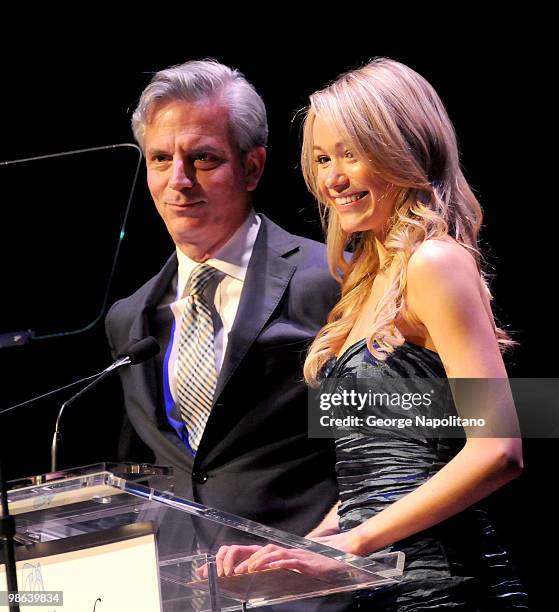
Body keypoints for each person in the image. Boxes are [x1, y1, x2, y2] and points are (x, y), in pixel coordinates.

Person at [213, 58, 529, 609]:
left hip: (445, 588)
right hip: (380, 586)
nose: (333, 177)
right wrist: (291, 552)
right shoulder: (363, 283)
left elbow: (499, 450)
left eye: (352, 154)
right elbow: (374, 472)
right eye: (322, 158)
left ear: (403, 149)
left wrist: (353, 545)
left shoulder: (435, 262)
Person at [104, 59, 340, 543]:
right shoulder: (129, 320)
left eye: (203, 159)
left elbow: (424, 435)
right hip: (187, 591)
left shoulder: (330, 281)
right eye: (160, 159)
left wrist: (337, 543)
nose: (179, 180)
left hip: (314, 585)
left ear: (252, 167)